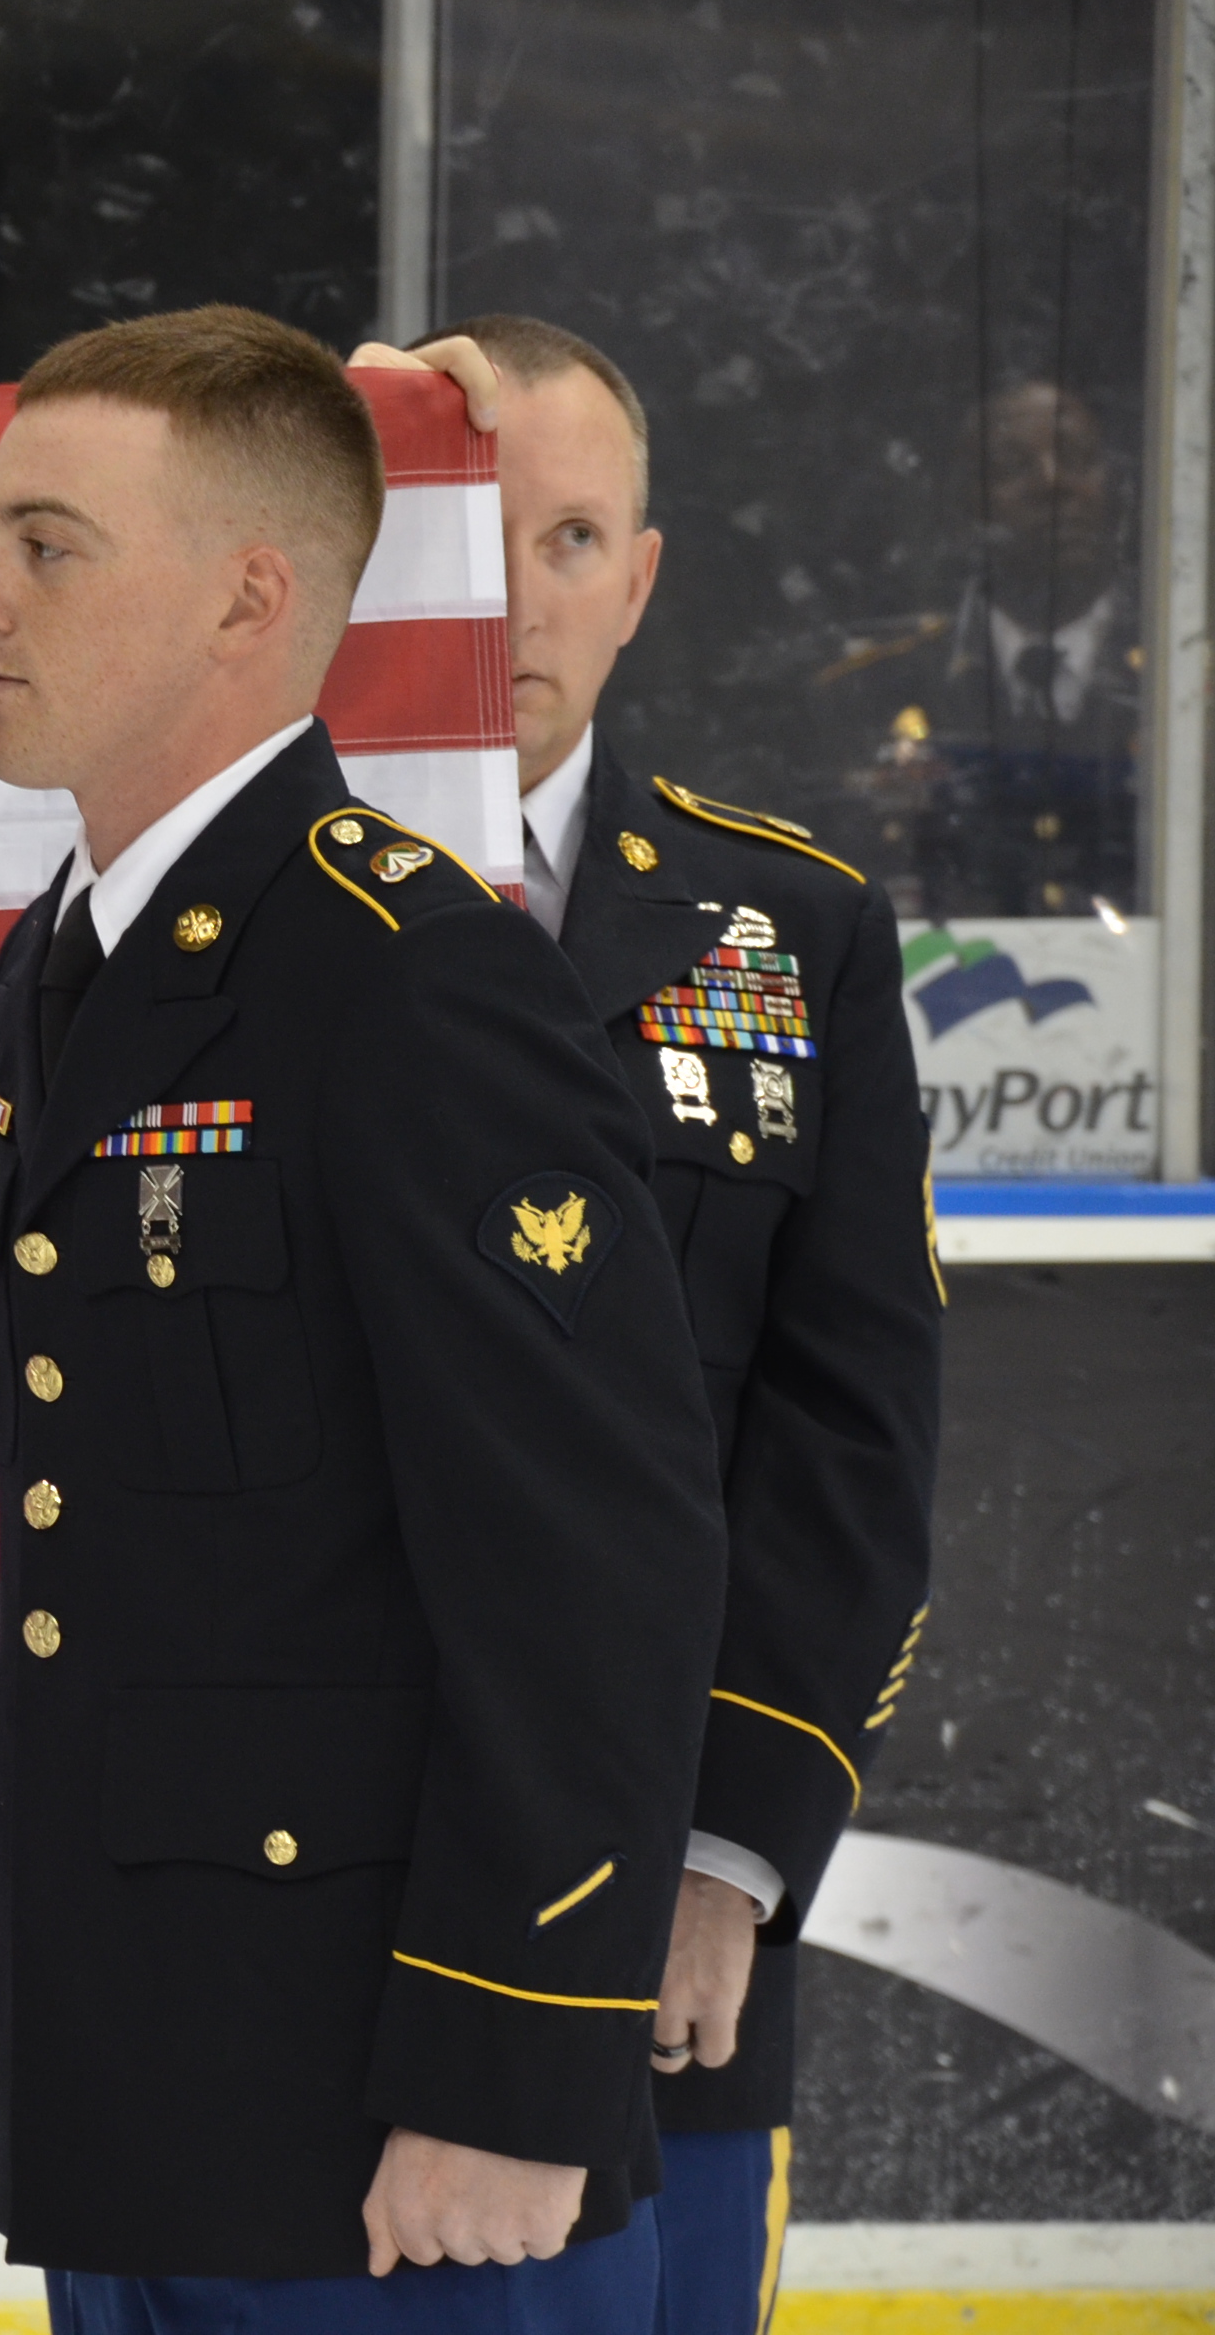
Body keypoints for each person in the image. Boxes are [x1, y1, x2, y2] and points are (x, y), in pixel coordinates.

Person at [0, 305, 730, 2326]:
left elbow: (593, 1564)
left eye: (45, 544)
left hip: (402, 2132)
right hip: (150, 2087)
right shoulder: (78, 963)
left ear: (246, 597)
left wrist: (514, 2063)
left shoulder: (409, 984)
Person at [401, 312, 942, 2335]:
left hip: (657, 1939)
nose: (511, 598)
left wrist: (726, 1857)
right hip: (302, 1911)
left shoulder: (788, 936)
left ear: (639, 581)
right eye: (453, 533)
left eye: (567, 540)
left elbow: (850, 1432)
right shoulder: (203, 913)